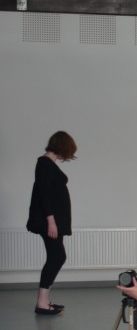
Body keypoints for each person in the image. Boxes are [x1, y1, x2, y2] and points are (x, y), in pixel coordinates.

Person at [27, 131, 78, 316]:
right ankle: (41, 302)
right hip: (50, 222)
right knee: (57, 257)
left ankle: (44, 300)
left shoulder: (48, 164)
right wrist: (51, 221)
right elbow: (43, 194)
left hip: (54, 221)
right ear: (63, 146)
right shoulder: (44, 164)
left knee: (56, 257)